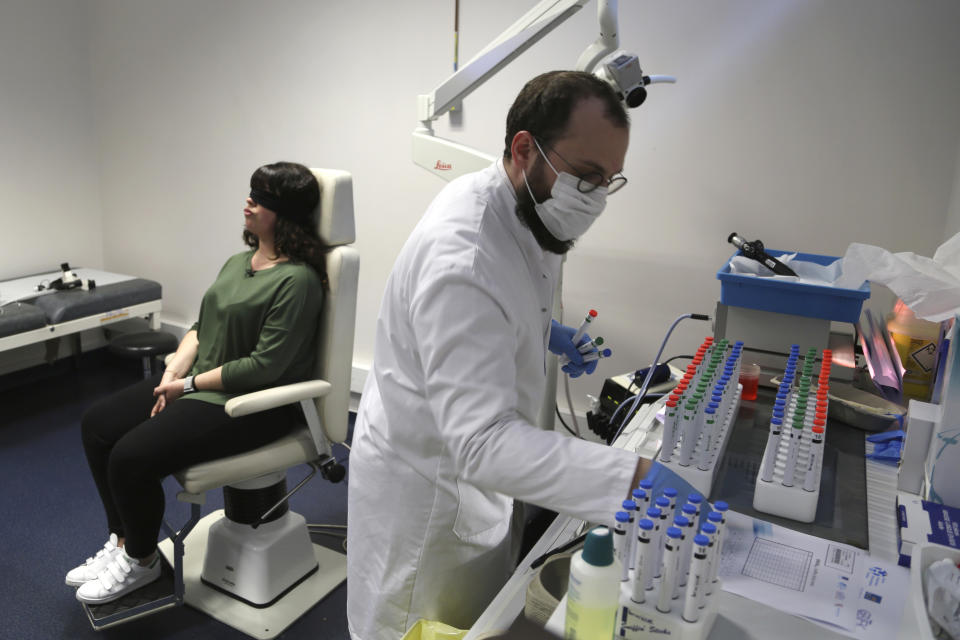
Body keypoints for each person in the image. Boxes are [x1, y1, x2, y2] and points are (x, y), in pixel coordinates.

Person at [347, 71, 651, 640]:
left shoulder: (527, 206)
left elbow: (505, 298)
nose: (596, 200)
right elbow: (483, 443)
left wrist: (544, 331)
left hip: (468, 486)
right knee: (422, 625)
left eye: (609, 181)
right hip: (426, 502)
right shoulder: (462, 254)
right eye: (586, 177)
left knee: (478, 619)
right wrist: (633, 479)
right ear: (522, 148)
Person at [67, 161, 326, 605]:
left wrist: (186, 386)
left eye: (260, 198)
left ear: (284, 213)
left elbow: (264, 366)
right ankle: (125, 540)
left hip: (252, 404)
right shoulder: (238, 262)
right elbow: (201, 327)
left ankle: (143, 562)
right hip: (200, 385)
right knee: (98, 425)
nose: (248, 202)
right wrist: (171, 374)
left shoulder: (297, 281)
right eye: (251, 192)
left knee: (131, 457)